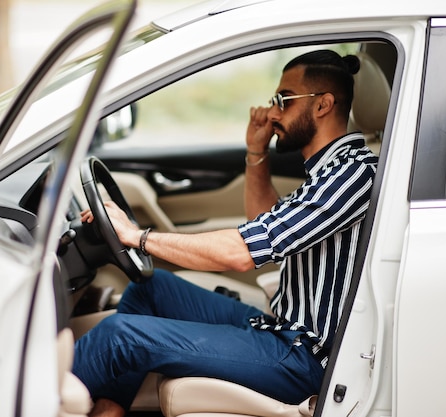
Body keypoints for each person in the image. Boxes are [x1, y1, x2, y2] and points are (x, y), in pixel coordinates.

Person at [73, 49, 378, 417]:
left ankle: (20, 400)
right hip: (281, 326)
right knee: (149, 289)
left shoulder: (353, 175)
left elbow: (242, 252)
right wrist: (256, 151)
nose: (272, 111)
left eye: (283, 99)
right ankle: (110, 409)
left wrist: (136, 236)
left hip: (304, 358)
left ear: (323, 105)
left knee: (117, 336)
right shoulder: (326, 171)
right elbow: (266, 223)